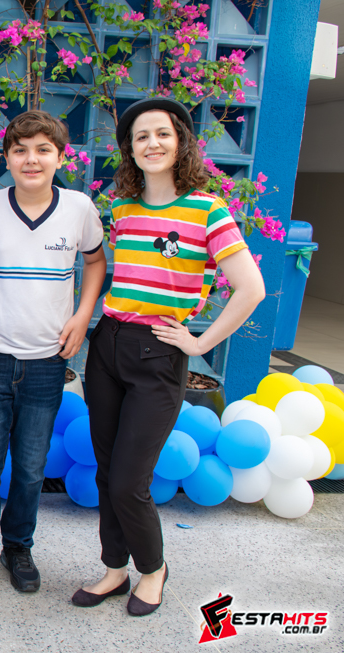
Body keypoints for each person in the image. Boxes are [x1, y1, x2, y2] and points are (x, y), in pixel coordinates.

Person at [72, 97, 265, 616]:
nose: (151, 143)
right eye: (141, 137)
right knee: (106, 472)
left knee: (130, 480)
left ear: (180, 142)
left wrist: (200, 344)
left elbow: (251, 288)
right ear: (130, 150)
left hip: (159, 352)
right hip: (108, 344)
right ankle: (115, 569)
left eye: (162, 133)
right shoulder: (122, 209)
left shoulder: (207, 209)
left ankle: (153, 570)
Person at [0, 111, 107, 602]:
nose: (31, 159)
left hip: (46, 363)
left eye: (43, 149)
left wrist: (83, 315)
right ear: (7, 158)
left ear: (60, 157)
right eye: (20, 150)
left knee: (30, 468)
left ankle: (18, 546)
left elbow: (95, 262)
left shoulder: (79, 209)